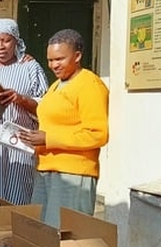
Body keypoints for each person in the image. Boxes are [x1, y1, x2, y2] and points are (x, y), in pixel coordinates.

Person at [19, 29, 109, 228]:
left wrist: (48, 139)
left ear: (77, 56)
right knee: (41, 237)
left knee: (63, 238)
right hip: (46, 169)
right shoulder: (56, 86)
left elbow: (97, 134)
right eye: (50, 60)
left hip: (73, 173)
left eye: (59, 59)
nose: (53, 65)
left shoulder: (89, 84)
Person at [0, 18, 48, 206]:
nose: (0, 46)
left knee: (19, 202)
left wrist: (20, 99)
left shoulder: (30, 68)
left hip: (19, 147)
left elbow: (46, 108)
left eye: (6, 40)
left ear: (16, 41)